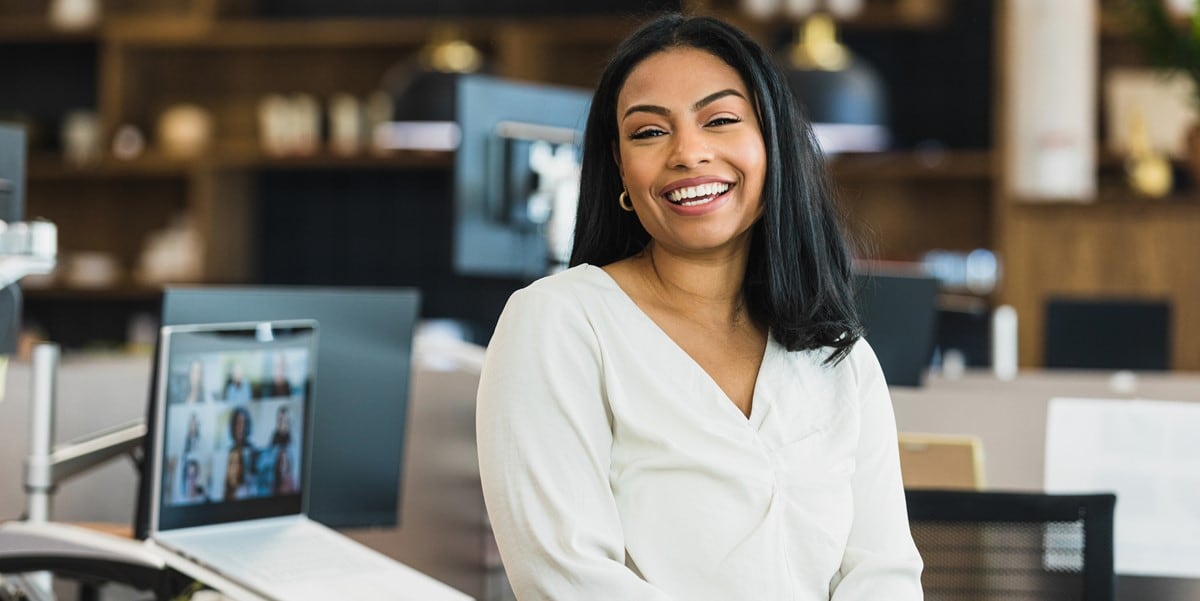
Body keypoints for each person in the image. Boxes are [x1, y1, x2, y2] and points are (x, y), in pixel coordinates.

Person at [476, 13, 923, 600]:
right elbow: (569, 578)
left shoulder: (840, 357)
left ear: (773, 147)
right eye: (649, 132)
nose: (688, 152)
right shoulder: (561, 322)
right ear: (620, 169)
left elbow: (883, 576)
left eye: (720, 120)